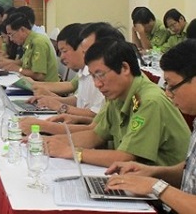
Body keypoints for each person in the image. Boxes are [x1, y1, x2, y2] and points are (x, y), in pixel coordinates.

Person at [45, 38, 190, 167]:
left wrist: (73, 152)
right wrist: (48, 142)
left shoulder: (149, 101)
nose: (97, 84)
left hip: (160, 189)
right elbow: (96, 135)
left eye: (100, 75)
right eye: (93, 76)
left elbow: (126, 158)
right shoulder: (118, 94)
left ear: (125, 68)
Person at [104, 39, 196, 213]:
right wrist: (153, 172)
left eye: (172, 86)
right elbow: (190, 173)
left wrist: (156, 187)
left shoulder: (149, 99)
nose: (168, 94)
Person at [19, 23, 105, 135]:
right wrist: (52, 100)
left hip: (81, 132)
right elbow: (79, 100)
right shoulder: (84, 71)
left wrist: (60, 107)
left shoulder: (99, 76)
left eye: (65, 51)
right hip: (75, 126)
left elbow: (96, 116)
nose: (62, 58)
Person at [0, 13, 59, 82]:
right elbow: (22, 62)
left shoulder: (38, 42)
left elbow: (40, 75)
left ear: (22, 30)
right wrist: (2, 65)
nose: (11, 39)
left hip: (45, 88)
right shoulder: (29, 41)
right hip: (32, 83)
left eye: (11, 35)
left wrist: (18, 69)